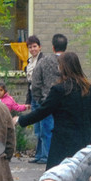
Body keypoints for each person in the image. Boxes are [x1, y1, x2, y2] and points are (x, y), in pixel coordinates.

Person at [17, 51, 91, 169]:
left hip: (63, 143)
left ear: (63, 67)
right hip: (84, 141)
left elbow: (43, 111)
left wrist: (21, 120)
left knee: (56, 178)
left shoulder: (59, 90)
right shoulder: (88, 88)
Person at [26, 35, 64, 163]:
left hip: (42, 98)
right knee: (38, 129)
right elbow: (30, 84)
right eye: (30, 47)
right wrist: (30, 100)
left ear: (40, 47)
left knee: (45, 129)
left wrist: (39, 98)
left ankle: (46, 156)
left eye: (34, 46)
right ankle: (39, 155)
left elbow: (37, 82)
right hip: (35, 97)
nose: (32, 49)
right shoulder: (29, 61)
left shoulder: (44, 60)